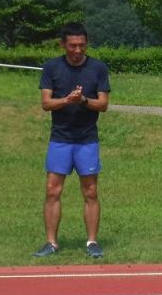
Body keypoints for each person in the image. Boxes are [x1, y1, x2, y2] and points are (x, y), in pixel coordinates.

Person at [33, 22, 110, 259]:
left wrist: (84, 101)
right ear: (63, 45)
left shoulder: (98, 68)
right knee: (52, 191)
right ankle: (51, 243)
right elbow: (46, 103)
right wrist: (67, 100)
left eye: (82, 46)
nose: (77, 50)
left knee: (91, 191)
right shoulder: (52, 67)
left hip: (87, 140)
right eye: (73, 46)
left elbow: (103, 104)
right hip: (60, 139)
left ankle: (92, 242)